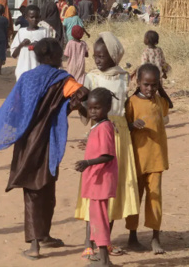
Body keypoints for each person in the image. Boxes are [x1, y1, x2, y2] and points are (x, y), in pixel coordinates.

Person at [0, 38, 88, 260]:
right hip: (49, 141)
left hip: (27, 143)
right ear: (50, 57)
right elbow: (82, 95)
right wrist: (68, 107)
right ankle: (35, 244)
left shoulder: (27, 79)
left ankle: (42, 238)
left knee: (36, 191)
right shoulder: (63, 80)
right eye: (60, 55)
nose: (62, 59)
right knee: (44, 189)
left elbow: (15, 110)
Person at [76, 32, 139, 260]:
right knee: (93, 187)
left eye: (102, 56)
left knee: (114, 187)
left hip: (120, 135)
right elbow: (87, 110)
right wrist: (78, 107)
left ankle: (106, 242)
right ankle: (88, 243)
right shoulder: (91, 77)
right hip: (100, 133)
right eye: (95, 56)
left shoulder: (123, 77)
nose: (98, 60)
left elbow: (124, 107)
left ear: (114, 55)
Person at [125, 64, 170, 255]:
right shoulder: (132, 102)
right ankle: (132, 236)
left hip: (156, 159)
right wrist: (132, 125)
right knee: (135, 198)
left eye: (154, 85)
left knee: (155, 199)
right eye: (146, 85)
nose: (150, 89)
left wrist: (162, 91)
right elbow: (124, 127)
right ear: (138, 82)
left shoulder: (160, 101)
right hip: (136, 159)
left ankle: (155, 237)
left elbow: (166, 112)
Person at [75, 88, 118, 267]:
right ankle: (101, 259)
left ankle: (104, 261)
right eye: (90, 108)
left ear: (107, 107)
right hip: (95, 182)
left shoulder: (106, 127)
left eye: (97, 108)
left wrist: (88, 163)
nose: (92, 111)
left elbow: (108, 155)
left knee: (100, 220)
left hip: (100, 181)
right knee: (96, 218)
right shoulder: (98, 126)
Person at [10, 5, 51, 80]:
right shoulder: (21, 32)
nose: (34, 20)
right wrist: (21, 45)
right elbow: (13, 55)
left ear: (40, 17)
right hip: (22, 72)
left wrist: (39, 46)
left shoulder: (44, 31)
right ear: (26, 17)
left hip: (39, 73)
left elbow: (49, 52)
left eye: (37, 17)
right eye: (32, 17)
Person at [140, 30, 174, 109]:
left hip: (148, 78)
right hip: (158, 76)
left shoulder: (146, 51)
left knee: (148, 92)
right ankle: (160, 106)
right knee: (158, 91)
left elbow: (143, 65)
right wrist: (165, 73)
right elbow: (163, 63)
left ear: (146, 40)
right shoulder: (159, 50)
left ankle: (151, 107)